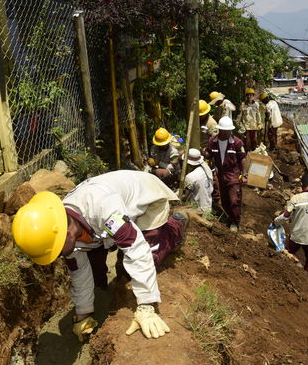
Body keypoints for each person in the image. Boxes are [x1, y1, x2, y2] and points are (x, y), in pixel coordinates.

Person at [12, 170, 189, 341]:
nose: (58, 256)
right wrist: (83, 313)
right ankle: (102, 295)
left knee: (148, 257)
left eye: (56, 250)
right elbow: (79, 273)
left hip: (147, 198)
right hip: (110, 216)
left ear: (66, 234)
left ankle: (176, 226)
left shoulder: (103, 209)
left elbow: (137, 248)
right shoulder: (60, 226)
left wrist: (146, 306)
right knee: (97, 267)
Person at [203, 117, 247, 232]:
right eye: (225, 131)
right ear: (220, 130)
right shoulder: (213, 141)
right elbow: (209, 152)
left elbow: (243, 159)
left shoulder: (237, 142)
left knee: (234, 200)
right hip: (220, 174)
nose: (227, 133)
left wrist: (245, 175)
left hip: (233, 175)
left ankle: (235, 223)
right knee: (225, 200)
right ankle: (229, 217)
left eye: (229, 131)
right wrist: (205, 153)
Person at [182, 148, 213, 212]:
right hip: (208, 207)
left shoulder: (190, 177)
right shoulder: (207, 169)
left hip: (196, 210)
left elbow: (184, 195)